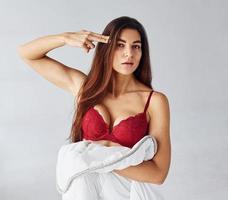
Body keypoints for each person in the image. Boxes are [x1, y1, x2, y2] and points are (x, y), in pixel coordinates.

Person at [17, 16, 171, 186]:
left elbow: (158, 173)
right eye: (120, 45)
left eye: (136, 46)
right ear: (107, 49)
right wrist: (64, 38)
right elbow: (27, 54)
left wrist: (94, 160)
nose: (129, 53)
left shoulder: (155, 101)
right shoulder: (86, 89)